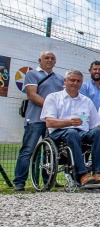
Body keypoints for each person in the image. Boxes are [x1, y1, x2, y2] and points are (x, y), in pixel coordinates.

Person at [41, 69, 100, 186]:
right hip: (59, 133)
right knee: (72, 132)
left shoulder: (87, 101)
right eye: (72, 80)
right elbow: (49, 122)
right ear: (65, 81)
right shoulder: (53, 98)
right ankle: (82, 174)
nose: (75, 83)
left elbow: (95, 124)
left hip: (81, 133)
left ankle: (98, 172)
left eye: (78, 81)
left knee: (97, 132)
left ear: (81, 83)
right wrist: (68, 122)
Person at [13, 51, 65, 191]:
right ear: (40, 60)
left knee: (50, 152)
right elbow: (32, 95)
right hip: (35, 119)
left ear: (55, 62)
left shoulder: (59, 79)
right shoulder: (32, 74)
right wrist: (51, 109)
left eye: (52, 58)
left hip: (52, 122)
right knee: (28, 150)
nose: (49, 60)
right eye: (46, 58)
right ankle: (19, 182)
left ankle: (47, 181)